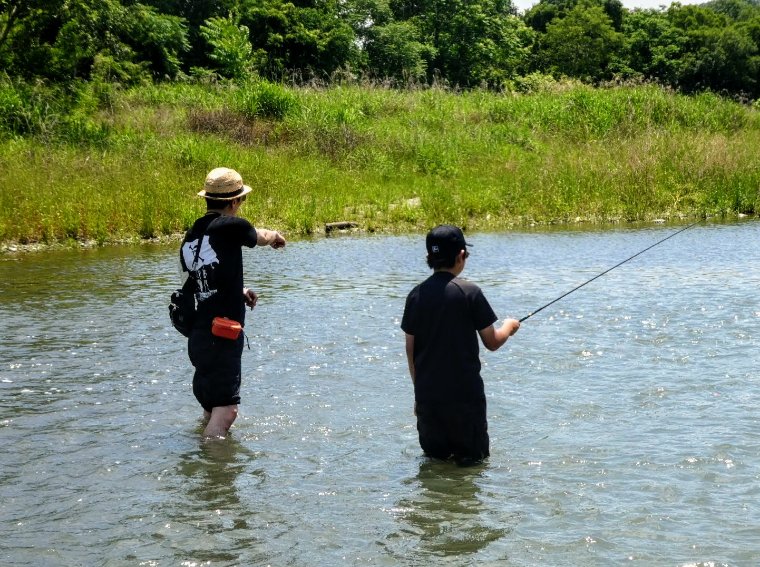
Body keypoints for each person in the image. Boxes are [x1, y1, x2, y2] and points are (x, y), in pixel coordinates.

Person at [179, 167, 286, 438]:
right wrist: (274, 235)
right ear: (235, 201)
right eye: (242, 200)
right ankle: (215, 475)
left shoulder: (193, 233)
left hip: (199, 338)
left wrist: (239, 290)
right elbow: (258, 237)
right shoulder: (232, 225)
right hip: (222, 336)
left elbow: (199, 277)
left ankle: (203, 463)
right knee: (226, 411)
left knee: (211, 408)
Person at [401, 224, 520, 465]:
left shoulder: (415, 295)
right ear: (461, 255)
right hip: (465, 403)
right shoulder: (470, 292)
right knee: (472, 467)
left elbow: (411, 352)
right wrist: (509, 326)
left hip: (428, 401)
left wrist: (419, 395)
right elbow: (492, 342)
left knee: (435, 465)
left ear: (429, 258)